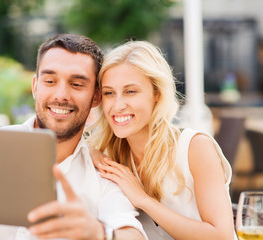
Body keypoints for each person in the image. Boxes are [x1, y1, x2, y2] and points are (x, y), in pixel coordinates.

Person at [0, 34, 147, 240]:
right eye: (49, 81)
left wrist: (98, 233)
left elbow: (133, 234)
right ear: (35, 87)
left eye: (76, 84)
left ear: (96, 97)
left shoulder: (104, 178)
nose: (61, 95)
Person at [87, 40, 237, 240]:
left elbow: (222, 236)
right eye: (109, 93)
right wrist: (88, 151)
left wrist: (143, 200)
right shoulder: (110, 156)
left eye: (130, 91)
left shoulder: (194, 147)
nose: (118, 105)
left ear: (156, 94)